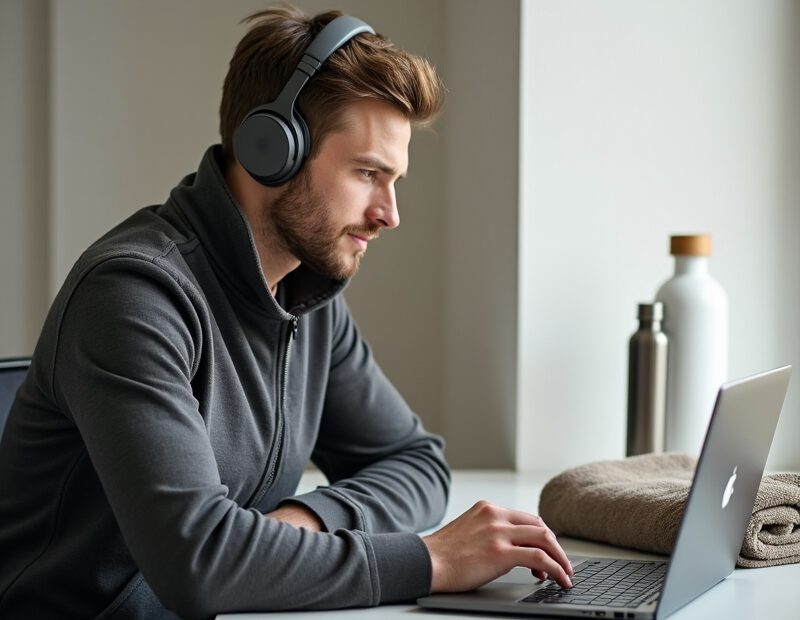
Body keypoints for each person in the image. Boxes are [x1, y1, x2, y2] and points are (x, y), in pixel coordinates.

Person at [0, 5, 572, 619]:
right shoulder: (133, 296)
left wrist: (307, 519)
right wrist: (434, 560)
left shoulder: (308, 292)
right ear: (271, 149)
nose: (389, 213)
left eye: (394, 179)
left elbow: (415, 463)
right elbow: (201, 563)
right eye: (367, 174)